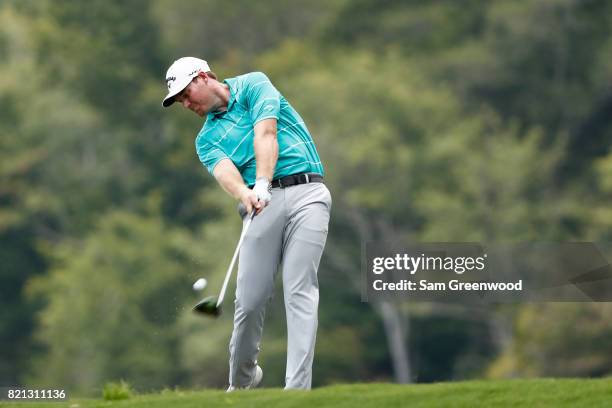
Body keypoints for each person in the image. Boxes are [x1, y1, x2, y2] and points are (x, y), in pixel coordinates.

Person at [162, 57, 332, 390]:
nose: (185, 103)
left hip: (307, 192)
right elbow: (225, 171)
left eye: (185, 93)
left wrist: (264, 182)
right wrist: (245, 193)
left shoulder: (253, 84)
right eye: (179, 100)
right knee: (249, 301)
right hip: (259, 207)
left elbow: (266, 133)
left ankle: (297, 389)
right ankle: (241, 383)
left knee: (299, 289)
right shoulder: (205, 139)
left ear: (204, 76)